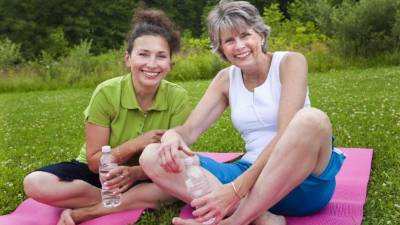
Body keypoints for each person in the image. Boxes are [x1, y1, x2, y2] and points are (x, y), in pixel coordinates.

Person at [139, 1, 346, 225]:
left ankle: (235, 221)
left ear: (261, 35)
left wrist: (237, 189)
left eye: (245, 35)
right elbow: (189, 130)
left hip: (301, 182)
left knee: (311, 119)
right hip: (248, 177)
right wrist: (172, 135)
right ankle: (261, 218)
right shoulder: (225, 79)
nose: (239, 46)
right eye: (229, 40)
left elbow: (285, 134)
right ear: (221, 48)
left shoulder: (290, 62)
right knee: (151, 154)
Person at [23, 9, 191, 225]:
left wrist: (135, 173)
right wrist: (135, 144)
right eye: (143, 54)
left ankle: (96, 207)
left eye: (161, 56)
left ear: (170, 63)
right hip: (100, 174)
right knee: (35, 183)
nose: (152, 64)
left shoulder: (178, 97)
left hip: (147, 175)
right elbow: (94, 162)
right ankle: (123, 202)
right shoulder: (106, 92)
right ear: (128, 58)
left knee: (177, 184)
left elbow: (175, 161)